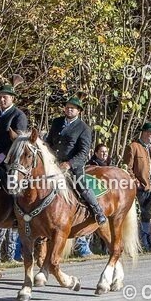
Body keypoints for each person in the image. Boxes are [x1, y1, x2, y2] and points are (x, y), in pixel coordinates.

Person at [46, 96, 106, 225]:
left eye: (72, 108)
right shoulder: (57, 122)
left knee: (81, 184)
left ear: (78, 111)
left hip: (73, 166)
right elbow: (49, 142)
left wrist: (69, 164)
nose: (69, 110)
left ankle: (97, 211)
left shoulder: (84, 128)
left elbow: (83, 152)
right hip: (53, 164)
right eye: (67, 107)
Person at [122, 122, 151, 250]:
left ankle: (146, 238)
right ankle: (138, 241)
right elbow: (126, 167)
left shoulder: (150, 148)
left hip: (150, 186)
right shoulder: (133, 147)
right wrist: (135, 181)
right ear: (145, 133)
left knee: (147, 214)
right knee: (137, 215)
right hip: (138, 187)